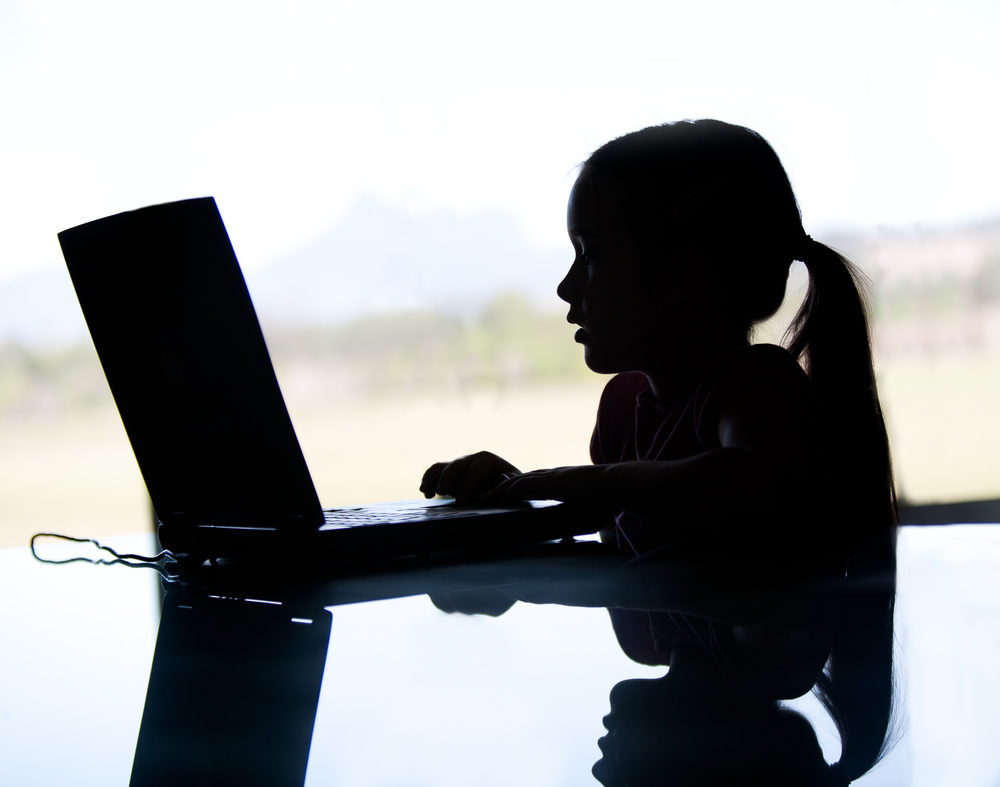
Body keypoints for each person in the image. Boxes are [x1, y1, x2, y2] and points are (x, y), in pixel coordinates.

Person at [420, 119, 898, 785]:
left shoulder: (758, 387)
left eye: (589, 253)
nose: (566, 287)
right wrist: (521, 501)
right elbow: (632, 542)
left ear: (681, 272)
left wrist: (573, 492)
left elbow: (748, 489)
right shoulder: (623, 408)